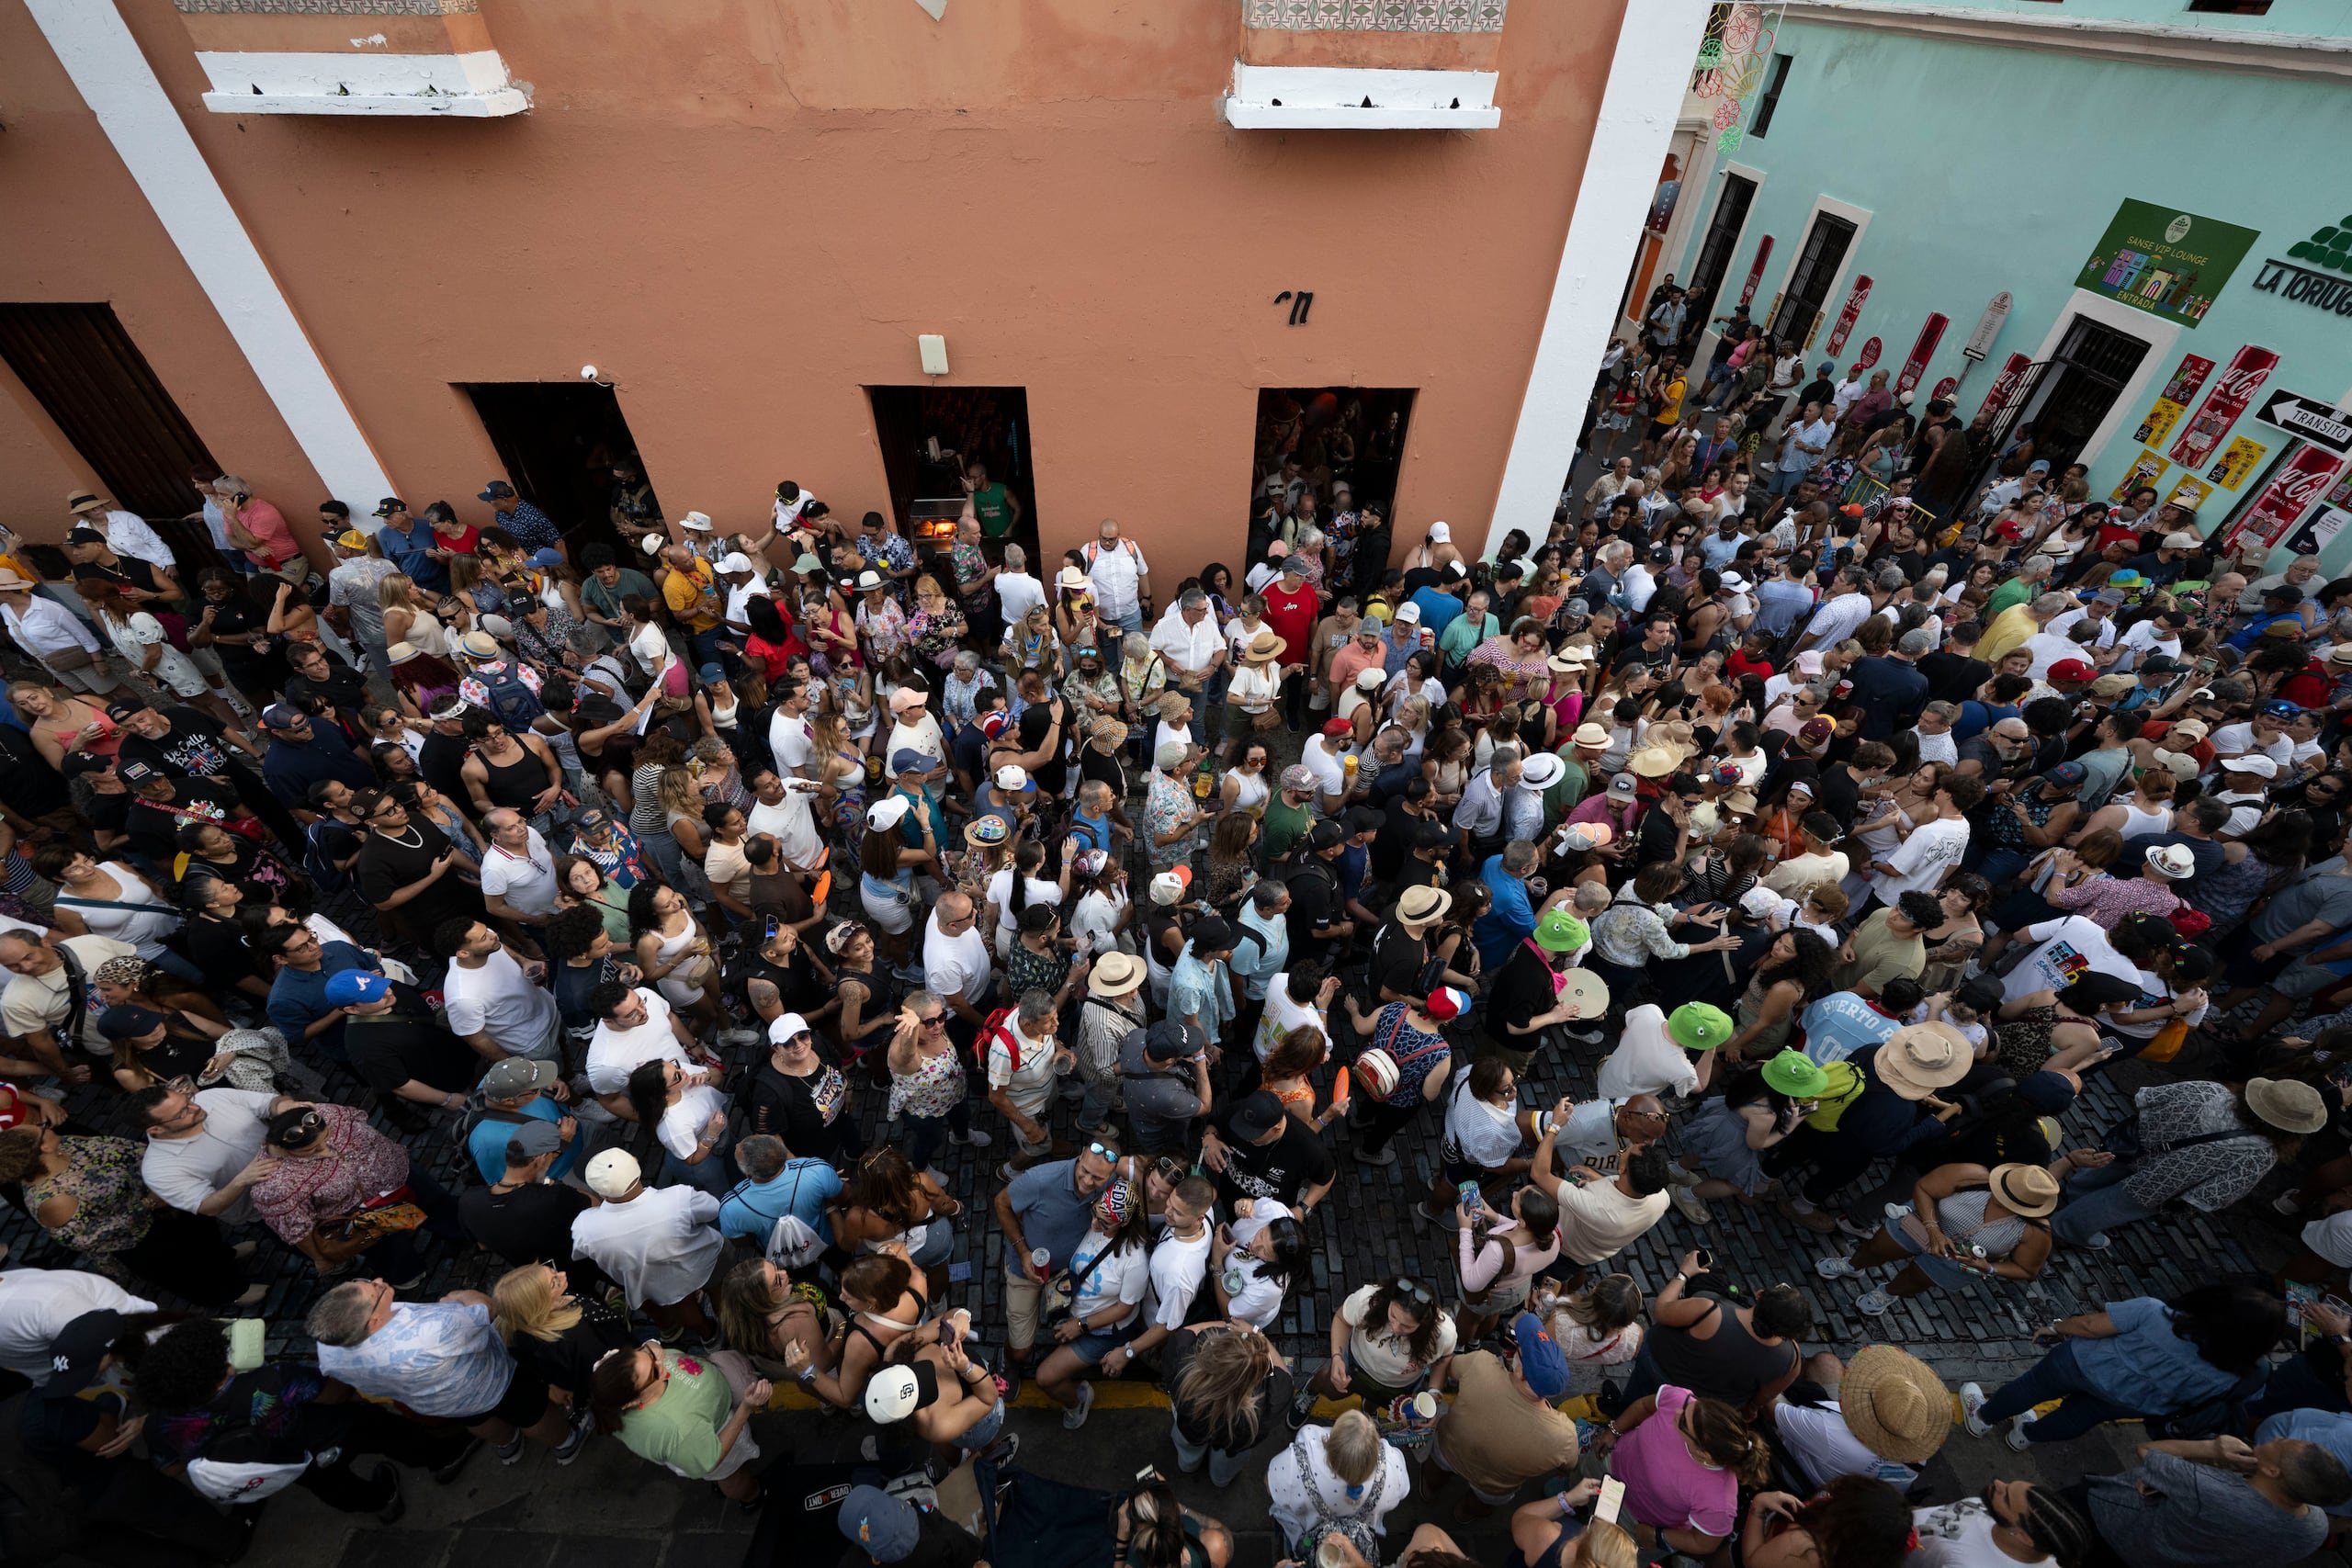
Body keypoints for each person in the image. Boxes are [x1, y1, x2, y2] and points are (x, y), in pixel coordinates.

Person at [1962, 1282, 2288, 1449]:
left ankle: (1983, 1417)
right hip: (2130, 1400)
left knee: (2030, 1388)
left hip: (2082, 1363)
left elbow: (2090, 1326)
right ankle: (2026, 1436)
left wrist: (2057, 1327)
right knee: (2077, 1418)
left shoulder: (2153, 1311)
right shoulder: (2236, 1373)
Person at [307, 1278, 587, 1462]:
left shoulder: (329, 1349)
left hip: (440, 1401)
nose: (378, 1281)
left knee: (479, 1421)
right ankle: (566, 1442)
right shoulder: (432, 1333)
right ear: (374, 1321)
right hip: (493, 1380)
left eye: (364, 1281)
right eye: (375, 1290)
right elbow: (486, 1311)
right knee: (533, 1411)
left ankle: (509, 1445)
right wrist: (464, 1296)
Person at [2081, 1432, 2351, 1568]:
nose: (2278, 1437)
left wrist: (2212, 1448)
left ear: (2273, 1471)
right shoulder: (2316, 1527)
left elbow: (2147, 1450)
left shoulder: (2207, 1488)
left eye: (2281, 1444)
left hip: (2109, 1523)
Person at [1428, 1312, 1580, 1516]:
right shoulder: (1565, 1436)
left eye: (1519, 1349)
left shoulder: (1481, 1365)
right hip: (1495, 1486)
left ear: (1521, 1371)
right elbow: (1569, 1464)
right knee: (1480, 1505)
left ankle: (1429, 1491)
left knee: (1435, 1472)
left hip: (1449, 1450)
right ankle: (1463, 1515)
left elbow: (1451, 1368)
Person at [587, 1337, 773, 1504]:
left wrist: (650, 1346)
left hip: (699, 1439)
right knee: (731, 1477)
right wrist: (746, 1408)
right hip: (713, 1439)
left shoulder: (610, 1378)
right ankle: (752, 1495)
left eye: (648, 1355)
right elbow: (713, 1457)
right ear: (632, 1402)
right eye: (654, 1371)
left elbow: (637, 1357)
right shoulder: (677, 1430)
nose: (662, 1362)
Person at [570, 1147, 725, 1339]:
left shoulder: (585, 1227)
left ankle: (709, 1336)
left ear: (601, 1194)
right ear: (636, 1163)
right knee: (720, 1293)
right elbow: (713, 1209)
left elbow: (580, 1251)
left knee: (683, 1308)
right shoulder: (678, 1198)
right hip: (703, 1261)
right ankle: (730, 1325)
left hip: (660, 1283)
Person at [1268, 1406, 1411, 1557]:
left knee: (1294, 1547)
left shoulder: (1297, 1464)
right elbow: (1403, 1491)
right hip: (1359, 1542)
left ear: (1329, 1445)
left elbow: (1271, 1486)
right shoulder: (1392, 1466)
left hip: (1306, 1535)